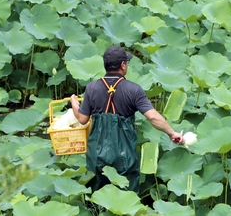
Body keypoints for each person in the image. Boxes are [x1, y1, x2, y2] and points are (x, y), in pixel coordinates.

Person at [70, 45, 185, 193]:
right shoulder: (134, 89)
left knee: (97, 197)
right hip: (123, 155)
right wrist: (172, 133)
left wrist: (74, 104)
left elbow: (82, 119)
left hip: (97, 153)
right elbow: (153, 117)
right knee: (126, 197)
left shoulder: (91, 88)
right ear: (123, 65)